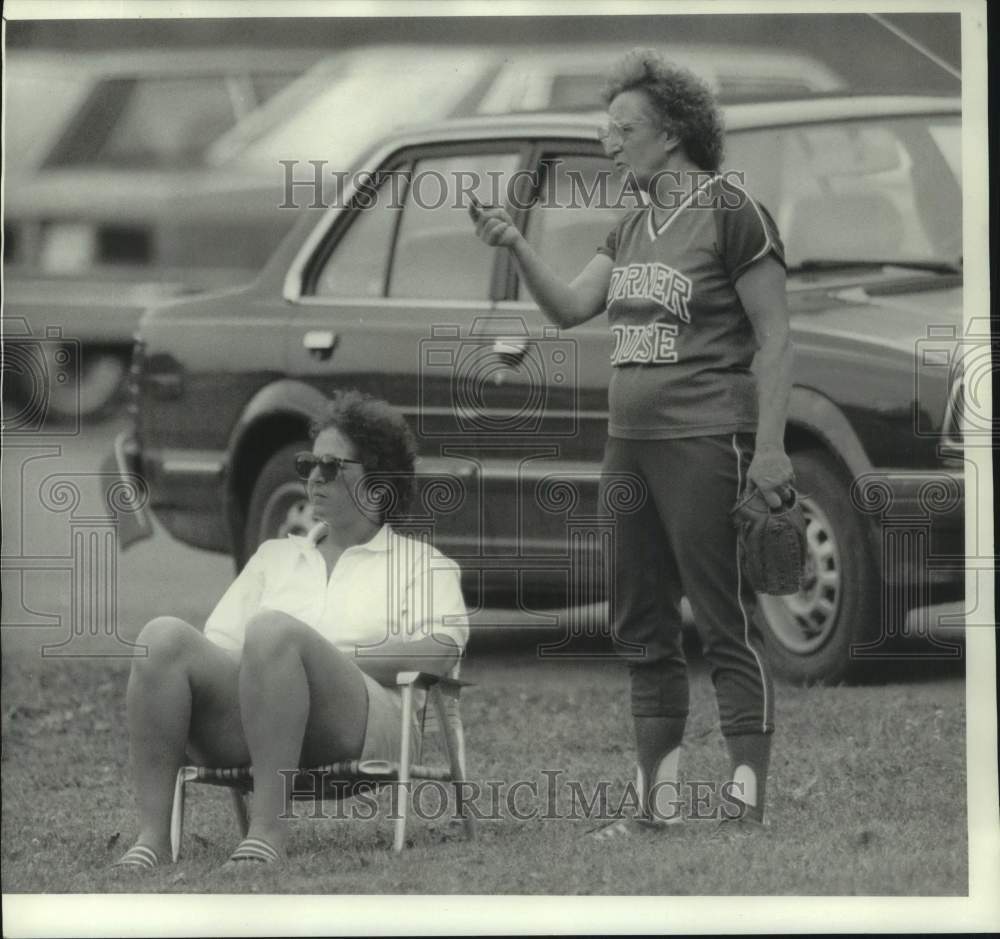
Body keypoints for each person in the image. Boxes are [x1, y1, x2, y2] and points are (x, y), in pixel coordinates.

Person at [470, 49, 793, 833]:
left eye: (623, 128)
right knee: (642, 624)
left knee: (723, 619)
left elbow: (776, 337)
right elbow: (569, 308)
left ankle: (744, 804)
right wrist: (515, 243)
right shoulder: (632, 222)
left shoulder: (733, 213)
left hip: (706, 438)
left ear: (672, 132)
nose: (608, 142)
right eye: (605, 129)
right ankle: (657, 806)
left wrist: (772, 448)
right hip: (630, 444)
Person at [113, 390, 468, 870]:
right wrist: (281, 667)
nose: (314, 477)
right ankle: (153, 839)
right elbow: (220, 651)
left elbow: (438, 654)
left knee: (273, 632)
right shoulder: (274, 557)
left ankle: (267, 834)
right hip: (259, 723)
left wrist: (322, 660)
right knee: (162, 638)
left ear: (379, 482)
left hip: (365, 724)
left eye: (331, 466)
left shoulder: (422, 564)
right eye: (308, 464)